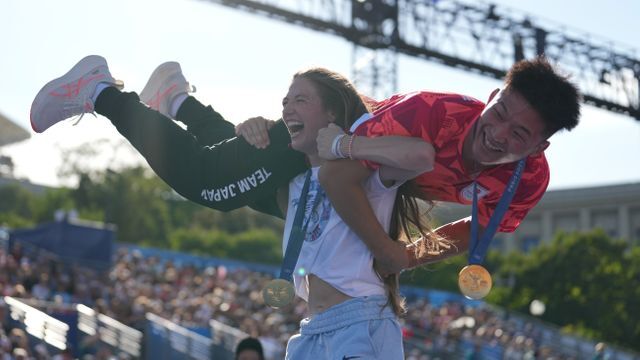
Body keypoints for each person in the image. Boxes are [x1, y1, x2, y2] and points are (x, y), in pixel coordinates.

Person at [31, 57, 443, 359]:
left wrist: (346, 143)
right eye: (285, 100)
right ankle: (115, 94)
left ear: (333, 111)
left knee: (214, 181)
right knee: (213, 181)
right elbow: (236, 171)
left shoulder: (363, 174)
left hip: (355, 324)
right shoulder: (298, 182)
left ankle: (156, 98)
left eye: (300, 99)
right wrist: (250, 131)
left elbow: (421, 156)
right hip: (322, 330)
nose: (286, 108)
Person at [312, 56, 581, 272]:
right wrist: (385, 250)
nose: (498, 134)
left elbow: (478, 227)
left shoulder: (529, 180)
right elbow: (336, 176)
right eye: (499, 113)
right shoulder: (428, 113)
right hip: (316, 151)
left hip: (379, 187)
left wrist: (408, 257)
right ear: (491, 97)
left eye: (518, 134)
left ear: (538, 148)